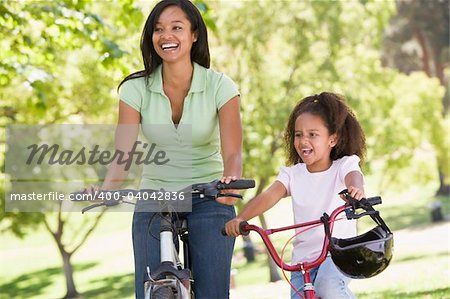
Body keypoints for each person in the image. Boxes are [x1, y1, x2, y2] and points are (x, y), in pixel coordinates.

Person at [96, 0, 242, 298]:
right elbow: (124, 152)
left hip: (208, 192)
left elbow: (233, 152)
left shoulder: (220, 86)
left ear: (194, 35)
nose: (166, 35)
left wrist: (230, 183)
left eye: (177, 27)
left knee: (213, 292)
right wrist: (108, 188)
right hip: (156, 193)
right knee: (152, 290)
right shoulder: (135, 89)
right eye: (159, 29)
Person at [225, 92, 366, 299]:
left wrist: (356, 190)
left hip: (337, 253)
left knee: (328, 287)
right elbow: (269, 196)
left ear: (332, 139)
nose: (303, 141)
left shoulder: (343, 166)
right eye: (298, 135)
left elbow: (354, 177)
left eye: (312, 134)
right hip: (303, 260)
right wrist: (241, 218)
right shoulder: (293, 174)